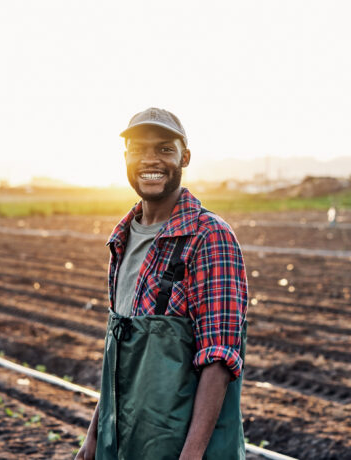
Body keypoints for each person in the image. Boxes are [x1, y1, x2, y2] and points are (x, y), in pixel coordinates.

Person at [75, 108, 248, 460]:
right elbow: (119, 359)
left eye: (165, 149)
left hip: (181, 449)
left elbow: (219, 360)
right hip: (123, 443)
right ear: (126, 158)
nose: (150, 159)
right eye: (138, 149)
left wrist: (191, 456)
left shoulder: (209, 236)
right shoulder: (122, 238)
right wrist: (93, 438)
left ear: (185, 157)